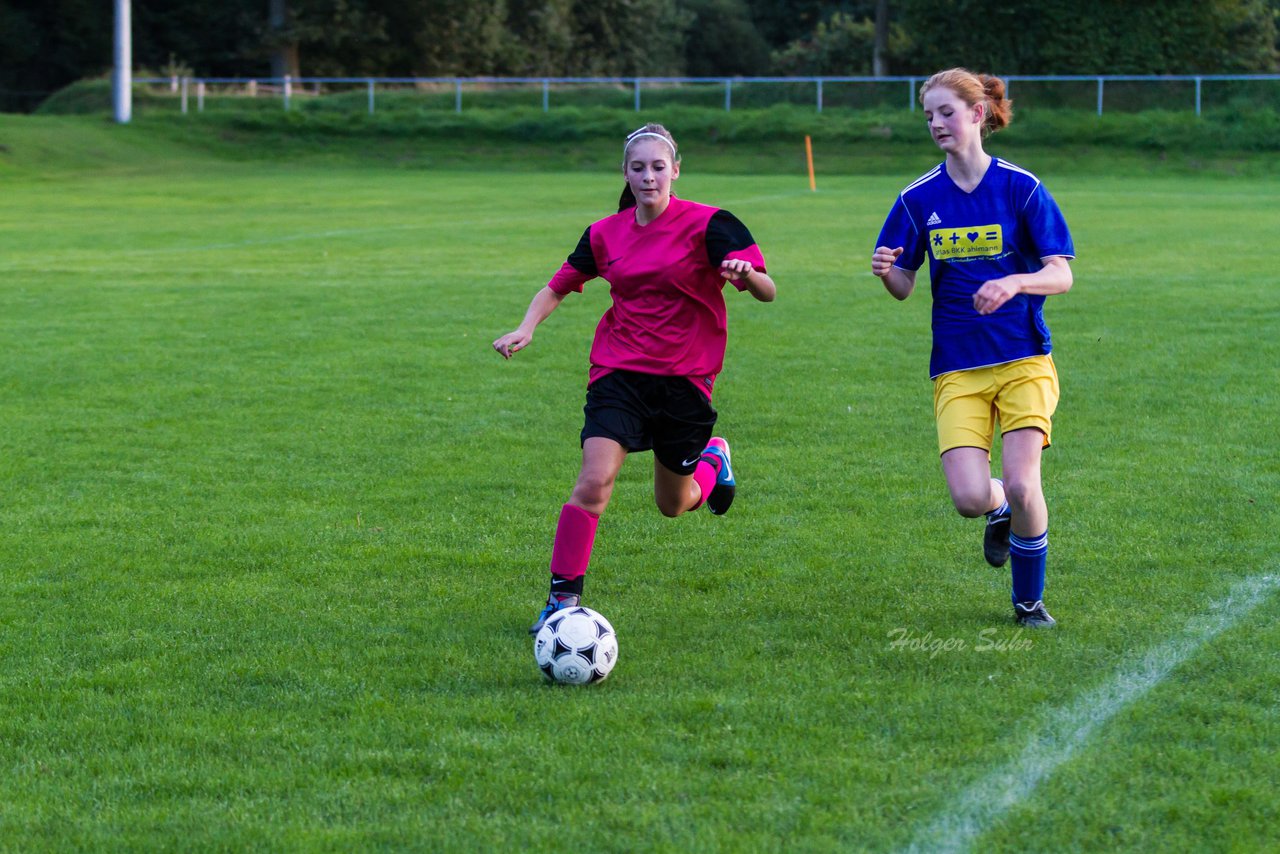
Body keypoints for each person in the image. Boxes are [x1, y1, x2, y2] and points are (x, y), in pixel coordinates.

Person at [494, 122, 777, 634]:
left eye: (658, 167)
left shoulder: (714, 225)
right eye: (638, 168)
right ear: (625, 173)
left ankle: (714, 458)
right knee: (593, 482)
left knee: (673, 505)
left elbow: (768, 290)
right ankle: (562, 601)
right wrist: (526, 327)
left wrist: (746, 274)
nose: (649, 176)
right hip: (618, 373)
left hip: (686, 380)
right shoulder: (605, 233)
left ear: (675, 170)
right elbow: (557, 285)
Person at [870, 68, 1074, 628]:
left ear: (978, 114)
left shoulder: (1020, 187)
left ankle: (1028, 604)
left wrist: (1015, 281)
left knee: (1025, 479)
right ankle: (999, 508)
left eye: (946, 112)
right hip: (957, 368)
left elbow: (1061, 275)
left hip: (1023, 359)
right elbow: (904, 286)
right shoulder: (917, 199)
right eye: (929, 115)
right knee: (967, 497)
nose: (936, 123)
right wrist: (888, 271)